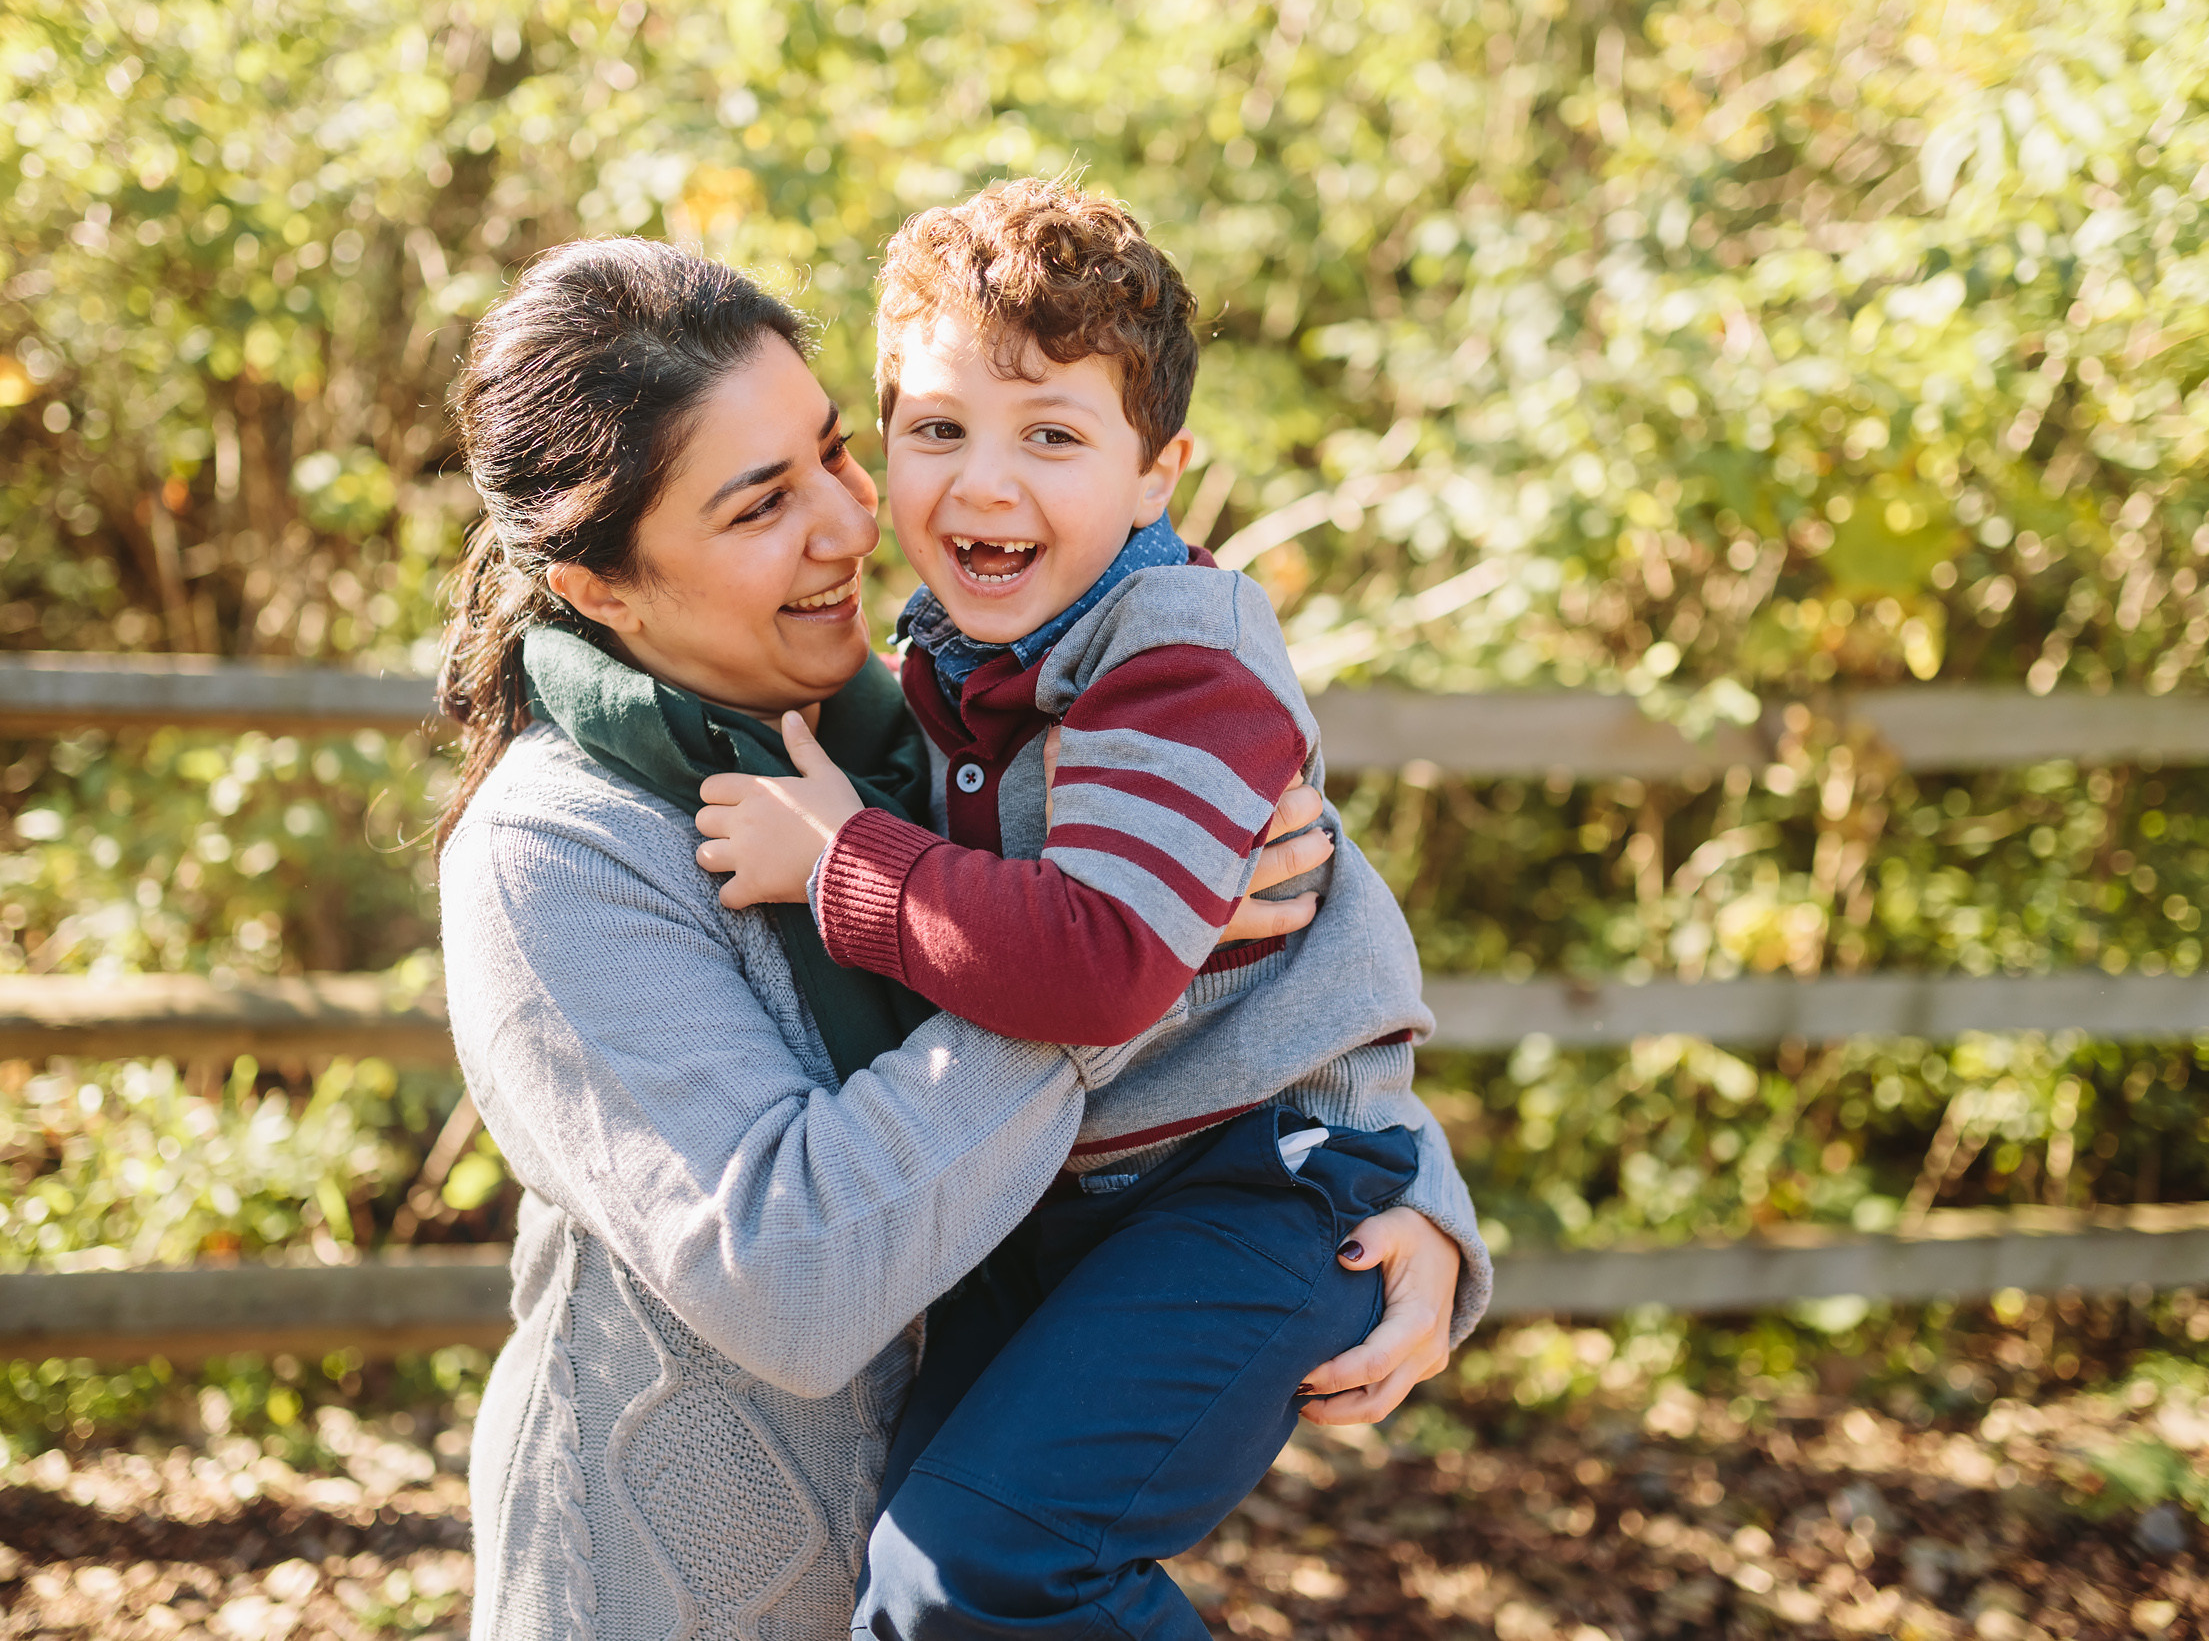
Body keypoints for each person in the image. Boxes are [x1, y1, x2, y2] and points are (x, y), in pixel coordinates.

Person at [434, 236, 1475, 1641]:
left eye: (834, 455)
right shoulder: (556, 853)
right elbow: (790, 1280)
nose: (852, 528)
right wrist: (1132, 973)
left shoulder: (952, 719)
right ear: (601, 588)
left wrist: (1409, 1201)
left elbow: (1299, 965)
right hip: (684, 1603)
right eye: (759, 507)